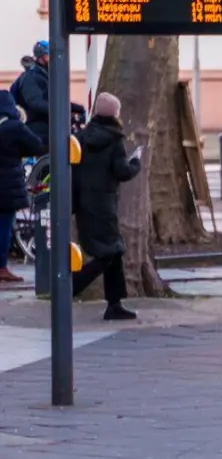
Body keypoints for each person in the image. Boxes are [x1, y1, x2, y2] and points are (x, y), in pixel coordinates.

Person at [71, 93, 141, 320]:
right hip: (104, 205)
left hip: (83, 203)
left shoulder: (81, 137)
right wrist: (136, 162)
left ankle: (114, 303)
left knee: (113, 251)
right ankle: (73, 285)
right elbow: (122, 172)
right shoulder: (114, 140)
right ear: (115, 114)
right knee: (110, 251)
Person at [0, 88, 44, 284]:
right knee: (4, 227)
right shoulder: (14, 127)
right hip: (6, 186)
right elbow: (36, 145)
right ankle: (1, 267)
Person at [11, 41, 50, 146]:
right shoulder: (31, 77)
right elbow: (35, 102)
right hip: (35, 127)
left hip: (44, 124)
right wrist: (59, 111)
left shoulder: (44, 75)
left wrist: (75, 108)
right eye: (48, 56)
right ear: (41, 57)